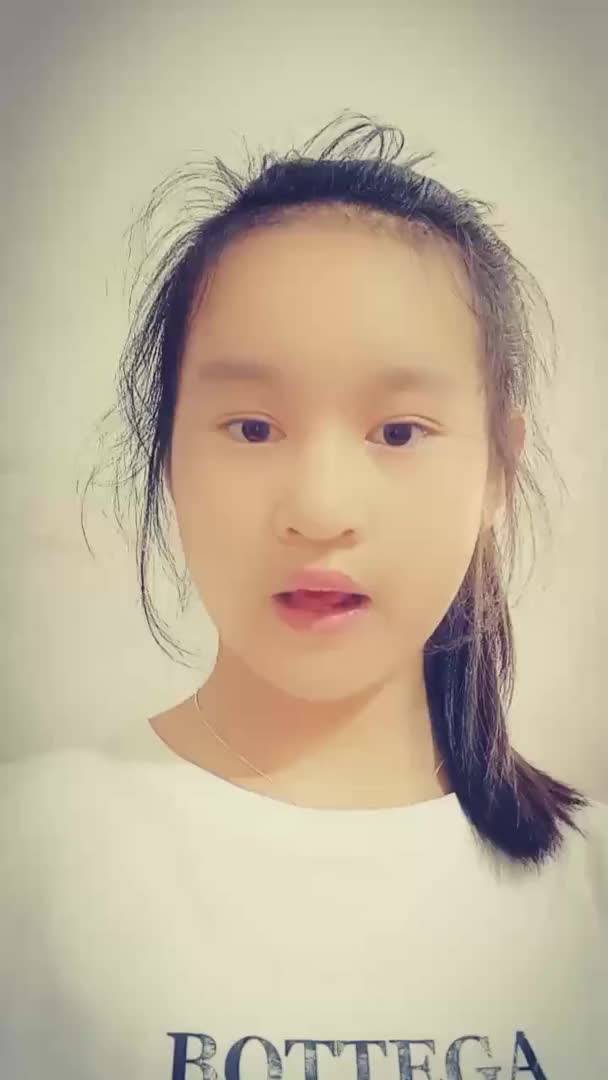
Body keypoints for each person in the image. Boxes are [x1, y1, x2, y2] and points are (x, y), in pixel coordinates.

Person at [1, 110, 606, 1080]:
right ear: (167, 452)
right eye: (251, 428)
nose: (319, 510)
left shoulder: (587, 888)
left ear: (499, 465)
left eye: (398, 432)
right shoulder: (29, 858)